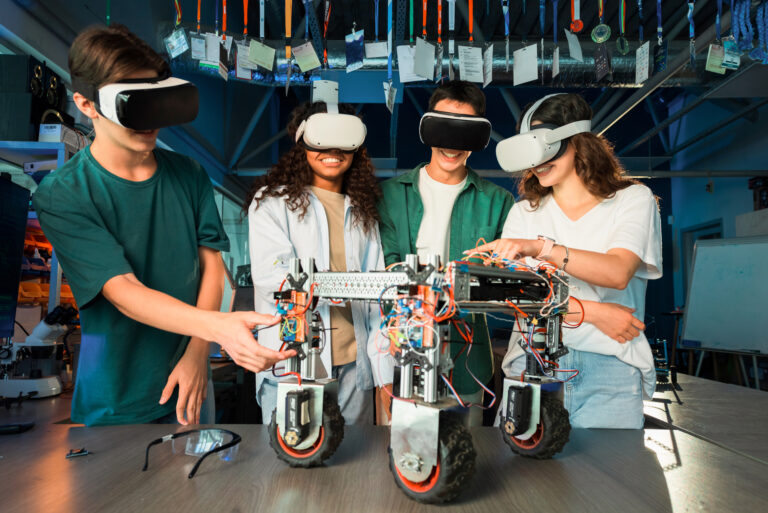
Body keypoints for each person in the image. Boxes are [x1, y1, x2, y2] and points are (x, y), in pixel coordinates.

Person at [33, 25, 292, 427]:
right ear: (86, 104)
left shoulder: (188, 173)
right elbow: (124, 292)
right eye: (132, 104)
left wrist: (196, 352)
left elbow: (212, 270)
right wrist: (219, 327)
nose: (150, 119)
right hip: (116, 400)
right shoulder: (63, 194)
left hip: (190, 384)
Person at [475, 93, 662, 429]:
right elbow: (517, 298)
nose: (538, 162)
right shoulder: (524, 214)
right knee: (525, 479)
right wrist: (593, 312)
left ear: (578, 142)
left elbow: (618, 272)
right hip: (531, 364)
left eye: (546, 147)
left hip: (609, 367)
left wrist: (540, 248)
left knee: (608, 478)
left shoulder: (632, 200)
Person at [378, 81, 515, 426]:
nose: (453, 144)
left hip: (469, 359)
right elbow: (385, 266)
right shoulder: (389, 196)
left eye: (464, 130)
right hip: (404, 351)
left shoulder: (498, 202)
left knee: (467, 455)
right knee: (406, 452)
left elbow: (501, 283)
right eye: (445, 126)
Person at [245, 101, 390, 425]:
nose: (334, 150)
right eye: (323, 140)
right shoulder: (271, 203)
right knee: (291, 466)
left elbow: (377, 297)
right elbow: (274, 280)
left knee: (352, 469)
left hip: (355, 368)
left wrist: (383, 372)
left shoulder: (363, 212)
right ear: (303, 144)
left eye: (344, 141)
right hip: (292, 363)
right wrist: (346, 285)